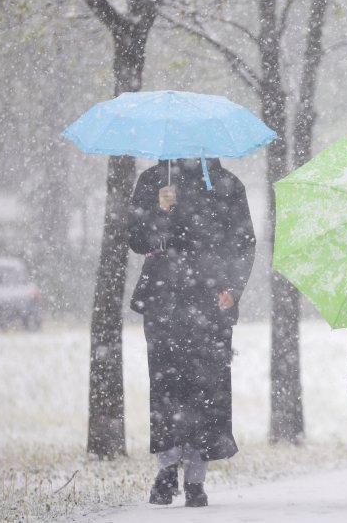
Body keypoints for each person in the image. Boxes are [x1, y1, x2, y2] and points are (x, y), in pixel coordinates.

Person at [128, 157, 256, 508]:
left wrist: (233, 287)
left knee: (206, 386)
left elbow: (243, 242)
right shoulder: (154, 179)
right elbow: (137, 240)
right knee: (166, 385)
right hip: (163, 299)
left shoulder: (225, 183)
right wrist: (159, 209)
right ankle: (167, 470)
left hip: (210, 300)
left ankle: (196, 478)